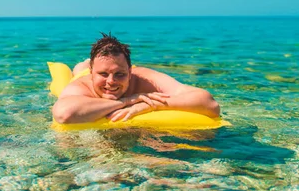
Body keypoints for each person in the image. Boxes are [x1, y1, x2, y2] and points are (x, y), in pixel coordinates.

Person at [52, 33, 220, 124]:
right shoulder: (81, 85)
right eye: (103, 74)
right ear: (92, 73)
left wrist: (148, 106)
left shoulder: (146, 79)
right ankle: (84, 64)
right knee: (78, 68)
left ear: (130, 73)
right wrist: (129, 100)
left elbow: (210, 104)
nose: (111, 81)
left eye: (120, 74)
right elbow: (64, 114)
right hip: (83, 73)